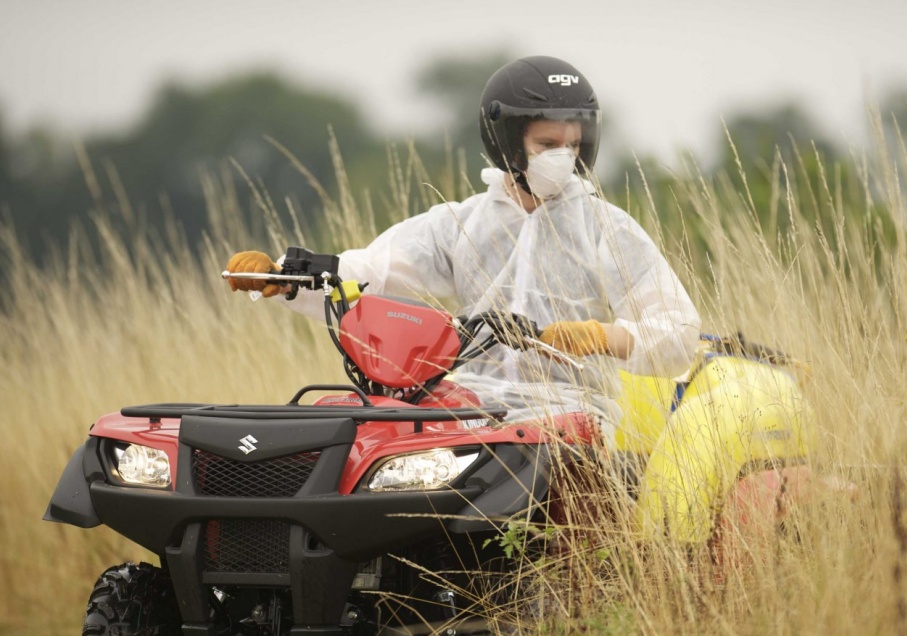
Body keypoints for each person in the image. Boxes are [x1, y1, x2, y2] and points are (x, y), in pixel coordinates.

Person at [226, 55, 701, 442]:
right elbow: (371, 271)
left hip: (572, 417)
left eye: (573, 145)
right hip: (468, 411)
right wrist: (284, 277)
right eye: (547, 144)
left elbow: (678, 334)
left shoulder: (609, 229)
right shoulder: (460, 223)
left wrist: (602, 336)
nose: (564, 157)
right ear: (507, 142)